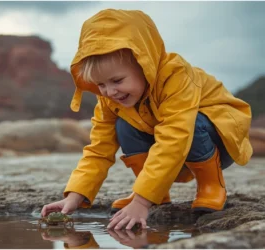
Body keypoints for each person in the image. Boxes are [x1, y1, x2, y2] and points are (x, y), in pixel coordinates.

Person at [41, 9, 253, 230]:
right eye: (101, 85)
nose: (110, 92)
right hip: (174, 151)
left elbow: (174, 138)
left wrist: (141, 201)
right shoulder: (109, 99)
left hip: (220, 142)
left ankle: (211, 186)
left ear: (145, 64)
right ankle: (156, 192)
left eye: (117, 80)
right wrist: (74, 197)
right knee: (123, 125)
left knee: (194, 120)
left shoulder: (176, 76)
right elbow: (99, 150)